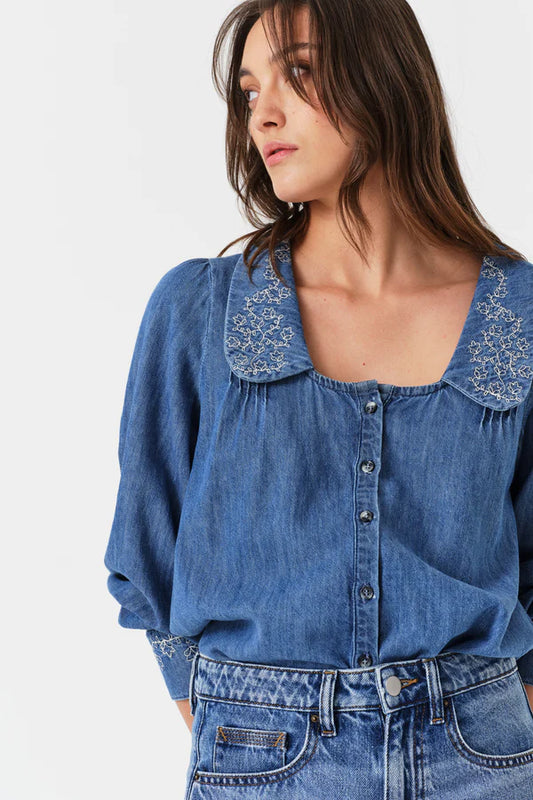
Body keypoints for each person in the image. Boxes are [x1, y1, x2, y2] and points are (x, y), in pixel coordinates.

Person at [103, 0, 533, 796]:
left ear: (385, 76)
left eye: (296, 72)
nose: (262, 114)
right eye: (247, 91)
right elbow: (145, 554)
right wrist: (244, 720)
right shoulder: (200, 309)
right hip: (262, 755)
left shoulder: (517, 310)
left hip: (485, 755)